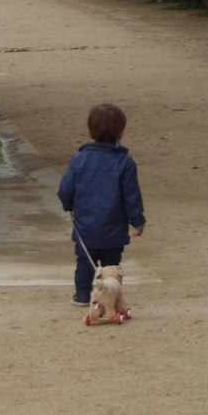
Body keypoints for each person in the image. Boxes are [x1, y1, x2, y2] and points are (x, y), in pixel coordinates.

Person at [57, 102, 146, 306]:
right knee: (112, 265)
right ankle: (111, 297)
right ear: (121, 133)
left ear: (89, 131)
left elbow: (65, 189)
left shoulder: (80, 159)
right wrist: (137, 220)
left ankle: (81, 295)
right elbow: (131, 196)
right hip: (114, 227)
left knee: (85, 263)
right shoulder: (125, 163)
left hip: (85, 225)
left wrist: (69, 205)